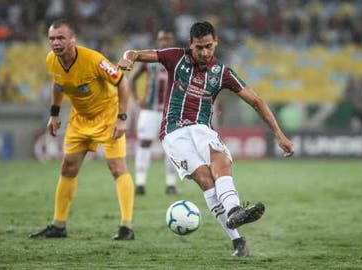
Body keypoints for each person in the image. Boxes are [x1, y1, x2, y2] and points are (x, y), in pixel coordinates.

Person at [118, 21, 294, 256]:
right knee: (205, 179)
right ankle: (238, 241)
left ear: (216, 42)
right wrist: (128, 58)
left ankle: (233, 212)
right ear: (191, 44)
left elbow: (256, 101)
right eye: (199, 47)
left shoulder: (222, 73)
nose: (204, 52)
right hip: (173, 131)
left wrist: (279, 134)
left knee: (220, 160)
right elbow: (136, 53)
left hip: (203, 128)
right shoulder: (175, 57)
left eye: (208, 47)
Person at [30, 19, 135, 240]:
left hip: (107, 117)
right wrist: (55, 113)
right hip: (80, 119)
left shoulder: (94, 60)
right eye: (52, 39)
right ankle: (58, 225)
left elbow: (122, 83)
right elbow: (58, 84)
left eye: (61, 38)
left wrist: (122, 118)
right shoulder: (52, 60)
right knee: (67, 167)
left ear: (72, 40)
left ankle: (126, 227)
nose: (56, 43)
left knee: (117, 167)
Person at [129, 29, 178, 195]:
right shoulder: (149, 60)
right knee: (144, 143)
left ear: (173, 40)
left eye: (168, 38)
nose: (165, 41)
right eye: (162, 38)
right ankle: (140, 183)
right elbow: (132, 78)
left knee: (172, 147)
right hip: (149, 110)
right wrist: (136, 99)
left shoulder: (179, 59)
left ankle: (171, 184)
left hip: (170, 111)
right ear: (158, 40)